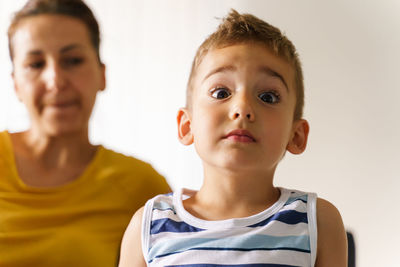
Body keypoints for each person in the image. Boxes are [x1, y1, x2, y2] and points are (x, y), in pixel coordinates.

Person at [119, 9, 347, 267]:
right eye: (221, 93)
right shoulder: (148, 226)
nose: (242, 108)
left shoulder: (318, 222)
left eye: (268, 97)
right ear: (187, 126)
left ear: (296, 135)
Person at [0, 0, 170, 266]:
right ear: (15, 84)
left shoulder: (143, 189)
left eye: (73, 60)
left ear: (102, 75)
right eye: (35, 64)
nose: (55, 80)